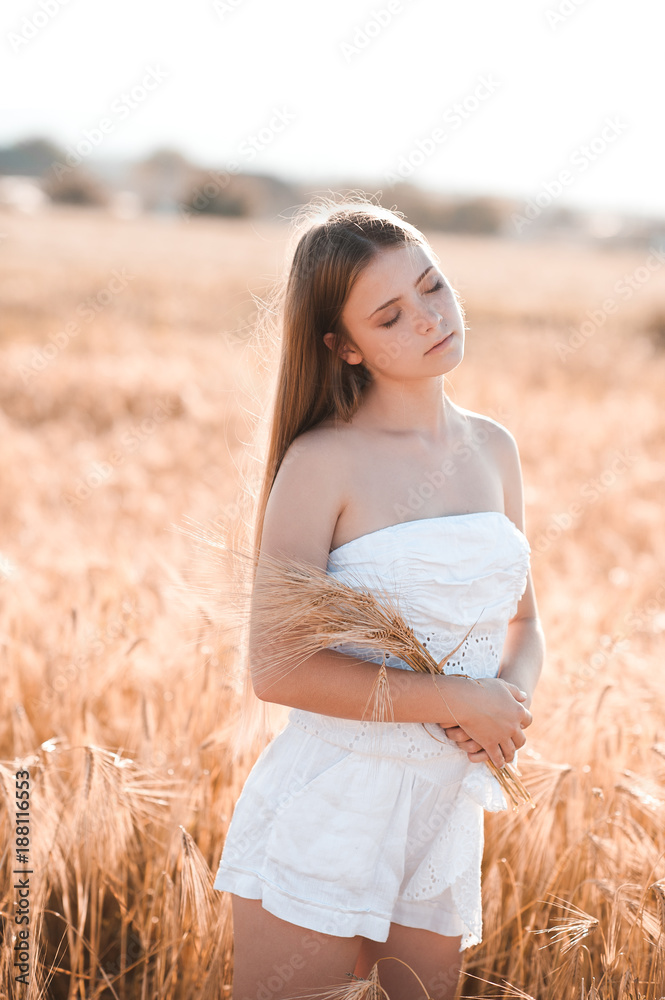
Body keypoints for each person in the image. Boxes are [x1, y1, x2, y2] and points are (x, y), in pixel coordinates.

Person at [213, 198, 545, 1000]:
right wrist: (460, 698)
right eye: (390, 315)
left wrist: (509, 704)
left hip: (443, 806)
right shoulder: (322, 462)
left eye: (434, 287)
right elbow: (277, 669)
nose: (430, 318)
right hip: (333, 798)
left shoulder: (491, 448)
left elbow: (525, 621)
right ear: (343, 346)